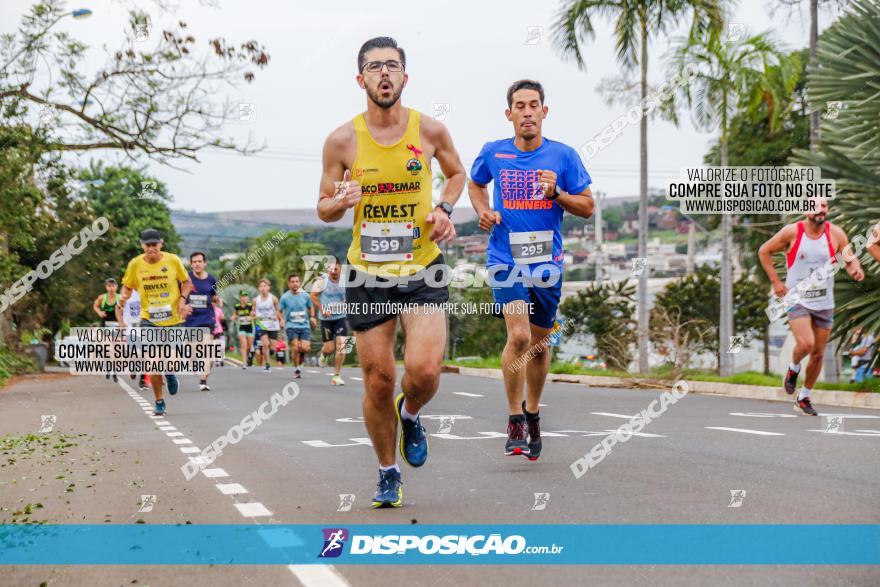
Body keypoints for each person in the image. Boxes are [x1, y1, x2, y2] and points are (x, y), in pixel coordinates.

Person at [317, 37, 465, 508]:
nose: (384, 74)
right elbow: (322, 208)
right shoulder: (342, 140)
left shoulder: (430, 131)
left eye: (393, 66)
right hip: (367, 272)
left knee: (423, 372)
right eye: (374, 67)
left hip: (422, 268)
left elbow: (457, 174)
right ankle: (386, 472)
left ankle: (413, 410)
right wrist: (340, 200)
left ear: (405, 76)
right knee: (378, 379)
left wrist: (444, 207)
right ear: (361, 79)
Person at [468, 79, 594, 460]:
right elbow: (475, 185)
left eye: (533, 105)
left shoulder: (564, 156)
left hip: (547, 264)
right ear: (509, 114)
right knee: (519, 336)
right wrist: (483, 211)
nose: (527, 112)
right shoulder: (494, 153)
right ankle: (513, 420)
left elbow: (587, 206)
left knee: (538, 347)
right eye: (519, 106)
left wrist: (557, 194)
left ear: (544, 112)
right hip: (505, 259)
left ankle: (533, 413)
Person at [758, 198, 864, 415]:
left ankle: (804, 397)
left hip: (825, 302)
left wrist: (855, 268)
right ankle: (793, 368)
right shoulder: (792, 232)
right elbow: (764, 251)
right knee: (806, 344)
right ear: (806, 211)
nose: (820, 210)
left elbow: (850, 257)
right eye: (816, 206)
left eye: (824, 206)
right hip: (797, 298)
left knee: (817, 354)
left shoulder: (836, 233)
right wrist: (776, 282)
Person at [116, 228, 193, 416]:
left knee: (171, 362)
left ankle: (170, 372)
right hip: (148, 319)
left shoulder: (173, 260)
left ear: (161, 244)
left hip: (173, 319)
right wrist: (123, 298)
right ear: (142, 245)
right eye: (147, 245)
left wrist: (182, 300)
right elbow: (127, 286)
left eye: (154, 244)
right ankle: (159, 401)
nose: (151, 248)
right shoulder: (135, 265)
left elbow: (187, 282)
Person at [184, 252, 220, 391]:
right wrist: (183, 306)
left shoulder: (211, 279)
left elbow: (214, 295)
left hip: (207, 319)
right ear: (191, 264)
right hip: (191, 321)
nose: (197, 264)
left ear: (205, 263)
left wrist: (218, 299)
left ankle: (203, 380)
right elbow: (180, 296)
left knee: (208, 350)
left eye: (200, 261)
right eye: (194, 262)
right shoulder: (186, 279)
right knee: (192, 353)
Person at [311, 257, 349, 385]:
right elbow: (313, 295)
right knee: (329, 348)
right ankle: (324, 354)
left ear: (340, 268)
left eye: (336, 269)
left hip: (341, 317)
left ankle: (336, 376)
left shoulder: (346, 280)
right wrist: (322, 310)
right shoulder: (322, 281)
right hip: (326, 319)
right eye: (331, 269)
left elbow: (352, 295)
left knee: (342, 346)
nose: (333, 272)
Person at [279, 274, 317, 379]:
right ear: (289, 283)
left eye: (297, 281)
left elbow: (310, 307)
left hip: (304, 326)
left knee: (305, 348)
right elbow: (279, 310)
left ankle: (301, 356)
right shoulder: (285, 297)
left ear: (299, 283)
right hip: (291, 325)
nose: (295, 283)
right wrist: (281, 319)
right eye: (292, 282)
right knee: (295, 348)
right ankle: (297, 369)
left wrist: (313, 317)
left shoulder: (305, 295)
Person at [115, 286, 149, 391]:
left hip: (146, 327)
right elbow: (118, 307)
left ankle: (143, 379)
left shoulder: (147, 289)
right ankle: (133, 367)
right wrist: (121, 322)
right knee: (136, 353)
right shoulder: (126, 291)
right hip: (131, 328)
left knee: (146, 355)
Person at [251, 279, 283, 373]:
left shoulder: (273, 299)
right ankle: (267, 365)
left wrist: (281, 319)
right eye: (261, 286)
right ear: (258, 288)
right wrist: (253, 315)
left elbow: (278, 310)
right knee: (265, 344)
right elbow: (253, 311)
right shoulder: (255, 300)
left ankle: (269, 352)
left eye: (265, 286)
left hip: (273, 324)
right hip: (261, 324)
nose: (263, 288)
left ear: (268, 287)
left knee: (273, 347)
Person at [94, 278, 121, 381]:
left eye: (113, 286)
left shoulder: (120, 297)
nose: (111, 288)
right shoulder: (102, 298)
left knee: (116, 350)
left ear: (116, 287)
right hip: (105, 325)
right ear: (106, 287)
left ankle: (114, 369)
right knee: (107, 349)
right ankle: (109, 367)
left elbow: (126, 307)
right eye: (109, 286)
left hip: (116, 325)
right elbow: (95, 306)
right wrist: (99, 312)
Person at [231, 291, 255, 369]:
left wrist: (250, 317)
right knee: (243, 344)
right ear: (240, 298)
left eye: (246, 296)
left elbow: (255, 316)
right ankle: (244, 363)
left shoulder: (250, 306)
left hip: (250, 327)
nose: (244, 298)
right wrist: (233, 317)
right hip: (241, 327)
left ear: (247, 298)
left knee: (249, 346)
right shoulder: (237, 306)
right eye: (243, 296)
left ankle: (248, 355)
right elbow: (235, 314)